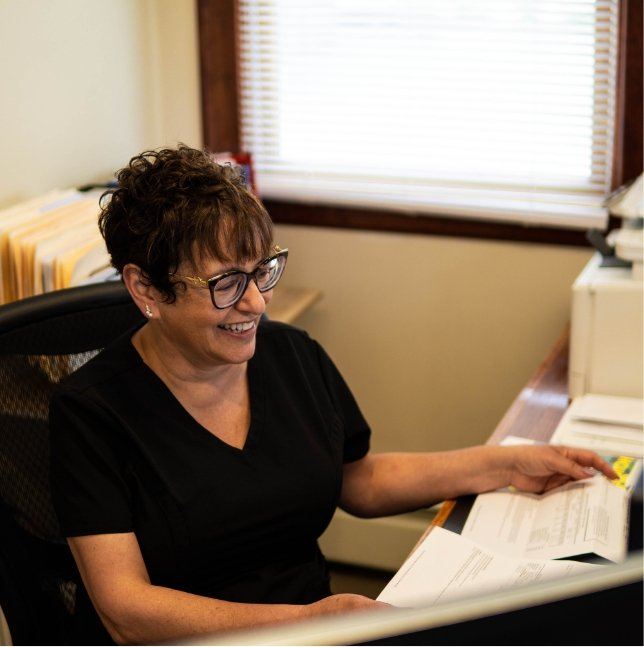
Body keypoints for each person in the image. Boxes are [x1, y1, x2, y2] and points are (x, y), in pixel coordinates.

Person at [49, 146, 617, 645]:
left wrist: (505, 462)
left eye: (262, 270)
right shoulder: (91, 412)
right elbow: (126, 611)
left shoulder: (290, 355)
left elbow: (357, 479)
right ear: (145, 287)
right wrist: (304, 623)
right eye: (225, 283)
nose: (256, 304)